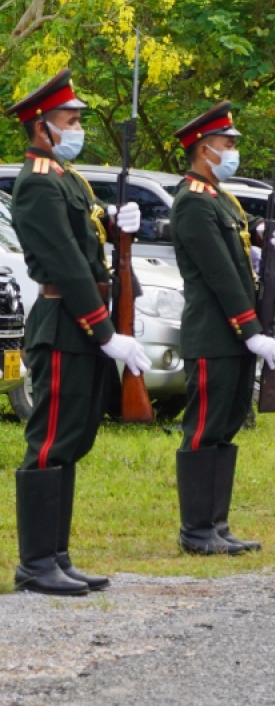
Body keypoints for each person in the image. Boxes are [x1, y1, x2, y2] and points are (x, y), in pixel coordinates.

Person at [8, 69, 151, 595]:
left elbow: (85, 246)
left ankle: (57, 556)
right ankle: (35, 564)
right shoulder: (37, 184)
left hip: (80, 324)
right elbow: (65, 264)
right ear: (41, 128)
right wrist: (104, 330)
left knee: (73, 438)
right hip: (65, 325)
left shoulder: (67, 179)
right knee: (49, 442)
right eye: (69, 121)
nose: (77, 129)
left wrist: (115, 225)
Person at [168, 102, 275, 554]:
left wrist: (258, 230)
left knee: (229, 423)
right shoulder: (193, 202)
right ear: (203, 149)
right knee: (205, 428)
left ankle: (215, 524)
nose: (233, 149)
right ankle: (195, 530)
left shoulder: (219, 198)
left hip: (234, 335)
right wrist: (250, 327)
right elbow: (218, 273)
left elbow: (236, 257)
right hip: (214, 333)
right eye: (227, 143)